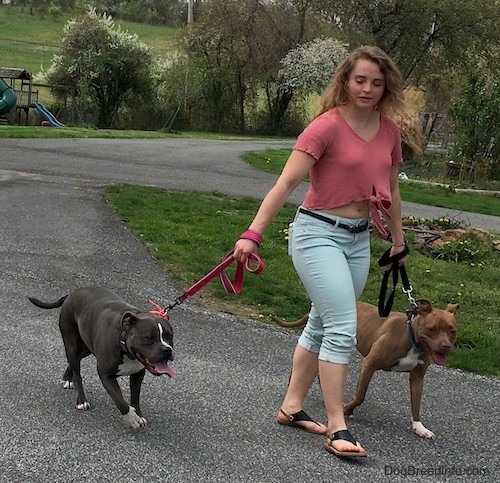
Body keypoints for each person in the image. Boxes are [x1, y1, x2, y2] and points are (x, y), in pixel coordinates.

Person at [233, 45, 420, 458]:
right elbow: (284, 185)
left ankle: (292, 406)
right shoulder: (325, 127)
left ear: (385, 86)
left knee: (321, 323)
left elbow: (393, 191)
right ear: (345, 81)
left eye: (376, 82)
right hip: (317, 234)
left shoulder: (389, 131)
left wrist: (399, 240)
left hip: (357, 239)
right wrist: (253, 234)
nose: (367, 88)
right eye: (360, 80)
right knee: (341, 327)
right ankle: (338, 427)